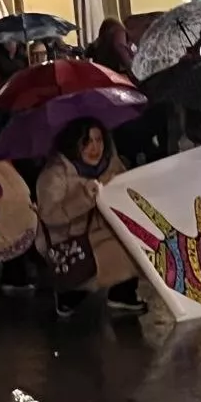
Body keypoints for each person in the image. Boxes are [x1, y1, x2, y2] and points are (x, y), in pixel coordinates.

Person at [36, 118, 144, 318]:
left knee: (132, 242)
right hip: (70, 239)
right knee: (84, 272)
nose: (95, 147)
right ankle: (70, 292)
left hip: (104, 232)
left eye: (98, 140)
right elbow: (50, 215)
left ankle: (122, 292)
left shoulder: (111, 165)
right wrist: (84, 198)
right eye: (86, 142)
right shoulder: (55, 173)